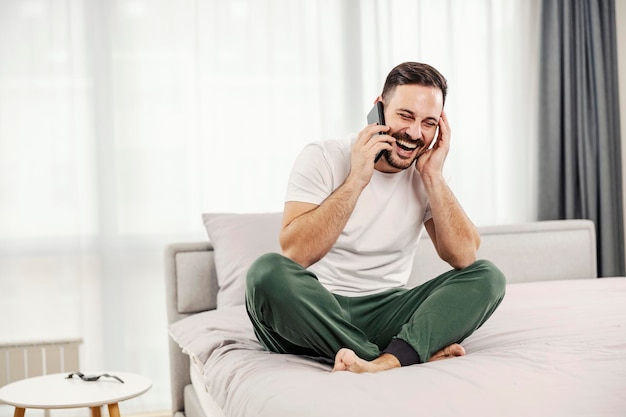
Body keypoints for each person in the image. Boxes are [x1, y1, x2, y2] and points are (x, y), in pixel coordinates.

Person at [245, 62, 506, 373]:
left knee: (489, 277)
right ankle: (396, 356)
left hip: (387, 311)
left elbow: (464, 257)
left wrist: (433, 177)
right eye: (405, 116)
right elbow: (295, 253)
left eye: (428, 123)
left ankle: (382, 359)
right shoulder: (324, 156)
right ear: (379, 110)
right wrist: (357, 178)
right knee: (265, 272)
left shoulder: (428, 174)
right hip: (315, 312)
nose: (414, 132)